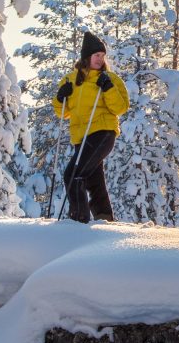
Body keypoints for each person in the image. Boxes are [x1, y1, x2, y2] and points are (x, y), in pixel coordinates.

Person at [53, 31, 129, 222]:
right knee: (94, 180)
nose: (100, 59)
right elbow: (62, 112)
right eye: (97, 55)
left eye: (102, 56)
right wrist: (61, 97)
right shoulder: (71, 80)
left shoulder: (109, 78)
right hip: (81, 136)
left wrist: (108, 88)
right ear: (86, 56)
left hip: (103, 132)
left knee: (74, 174)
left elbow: (121, 108)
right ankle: (105, 218)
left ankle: (78, 219)